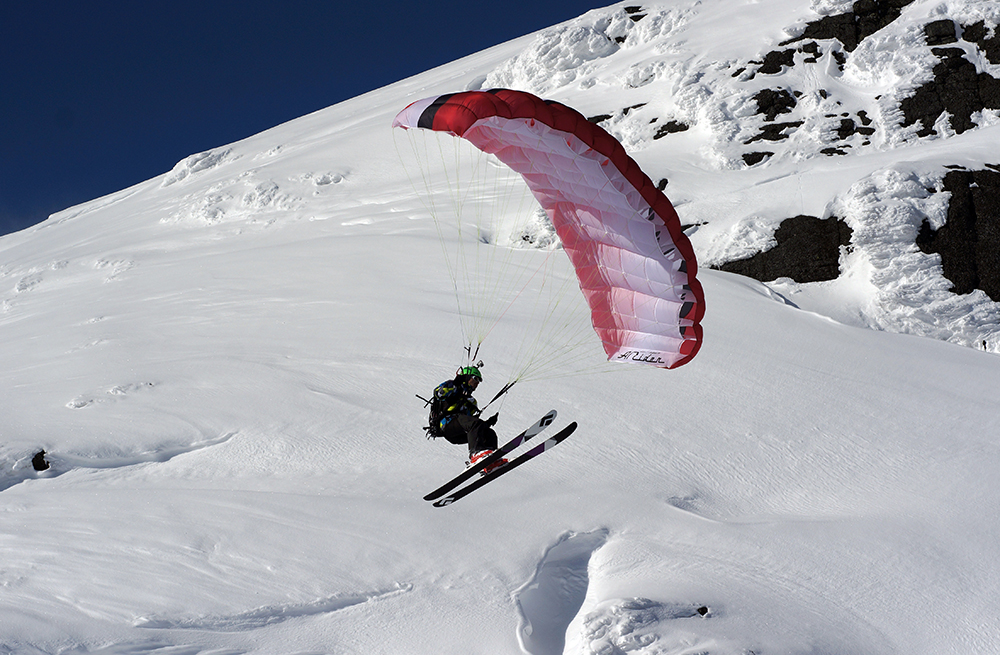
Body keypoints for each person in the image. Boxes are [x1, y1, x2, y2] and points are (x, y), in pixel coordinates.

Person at [430, 366, 505, 471]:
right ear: (467, 377)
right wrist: (456, 383)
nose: (476, 383)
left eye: (478, 382)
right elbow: (438, 393)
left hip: (458, 433)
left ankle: (490, 461)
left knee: (489, 433)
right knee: (475, 424)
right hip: (447, 425)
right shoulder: (452, 386)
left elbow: (472, 425)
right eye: (475, 379)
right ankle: (476, 454)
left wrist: (487, 423)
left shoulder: (471, 401)